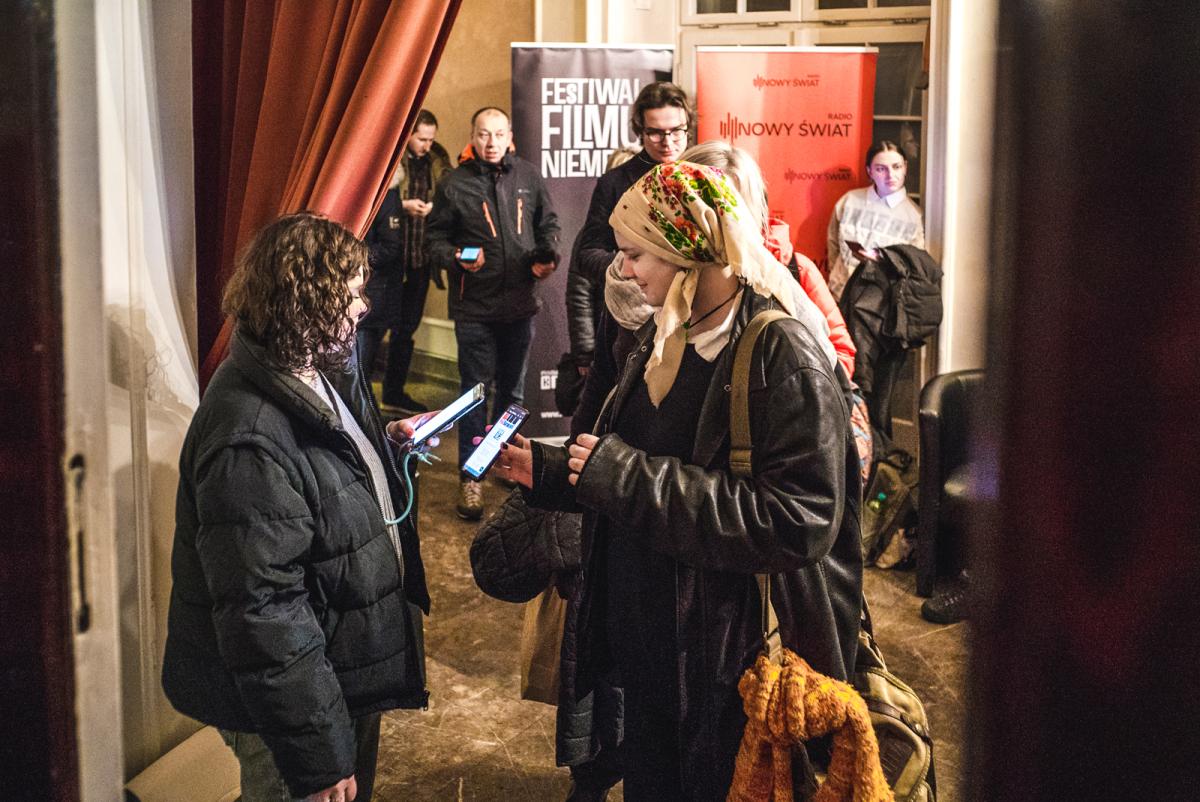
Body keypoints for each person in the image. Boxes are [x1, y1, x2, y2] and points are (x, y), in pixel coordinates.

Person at [497, 163, 863, 800]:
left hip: (728, 669)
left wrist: (623, 476)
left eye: (637, 253)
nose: (624, 269)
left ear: (689, 252)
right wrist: (555, 472)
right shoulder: (667, 332)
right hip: (656, 656)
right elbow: (632, 461)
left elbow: (799, 521)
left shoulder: (783, 354)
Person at [162, 213, 438, 802]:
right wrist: (317, 756)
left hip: (334, 669)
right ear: (308, 298)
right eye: (352, 293)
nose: (363, 306)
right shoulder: (247, 435)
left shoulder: (309, 368)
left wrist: (387, 444)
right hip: (295, 702)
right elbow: (265, 614)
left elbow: (322, 476)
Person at [426, 106, 560, 521]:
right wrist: (456, 257)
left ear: (509, 137)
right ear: (473, 136)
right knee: (474, 394)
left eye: (499, 134)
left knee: (512, 395)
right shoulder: (453, 183)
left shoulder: (529, 176)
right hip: (475, 309)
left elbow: (549, 226)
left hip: (520, 305)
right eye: (484, 134)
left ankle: (503, 463)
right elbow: (434, 242)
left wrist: (548, 257)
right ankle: (472, 474)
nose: (491, 142)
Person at [565, 82, 693, 392]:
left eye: (677, 131)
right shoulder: (615, 182)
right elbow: (587, 254)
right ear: (640, 131)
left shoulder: (704, 172)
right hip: (633, 323)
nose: (668, 142)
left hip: (694, 318)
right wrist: (636, 266)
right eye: (656, 133)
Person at [357, 109, 452, 414]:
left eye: (431, 139)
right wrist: (403, 206)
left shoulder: (436, 161)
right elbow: (381, 205)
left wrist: (434, 208)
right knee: (374, 330)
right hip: (390, 262)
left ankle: (394, 392)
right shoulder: (393, 163)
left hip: (420, 258)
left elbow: (449, 200)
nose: (427, 145)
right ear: (409, 135)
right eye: (422, 139)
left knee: (407, 328)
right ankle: (366, 398)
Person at [825, 140, 927, 300]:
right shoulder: (849, 201)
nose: (890, 175)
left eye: (896, 167)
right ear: (869, 171)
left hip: (882, 303)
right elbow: (833, 244)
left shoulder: (914, 216)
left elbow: (913, 266)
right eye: (881, 169)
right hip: (841, 294)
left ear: (905, 167)